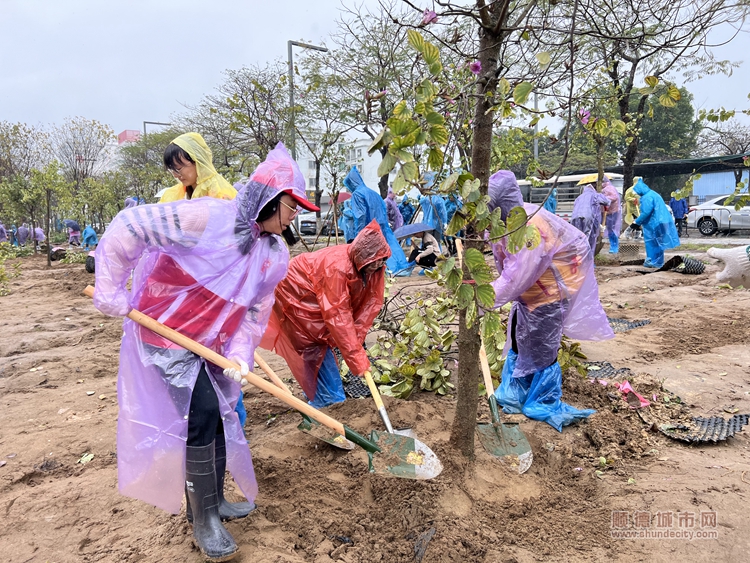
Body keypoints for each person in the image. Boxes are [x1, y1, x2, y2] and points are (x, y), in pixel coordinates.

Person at [92, 143, 317, 562]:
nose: (293, 217)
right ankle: (203, 518)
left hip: (208, 345)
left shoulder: (273, 253)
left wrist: (240, 353)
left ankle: (212, 503)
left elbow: (254, 311)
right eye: (290, 206)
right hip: (165, 335)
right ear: (268, 199)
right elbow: (130, 227)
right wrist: (109, 288)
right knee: (202, 414)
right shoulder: (205, 217)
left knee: (214, 415)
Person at [488, 170, 614, 431]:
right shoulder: (503, 226)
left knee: (542, 347)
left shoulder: (530, 229)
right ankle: (515, 392)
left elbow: (515, 277)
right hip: (531, 293)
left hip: (551, 292)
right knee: (521, 340)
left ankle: (544, 402)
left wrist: (482, 300)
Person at [260, 220, 390, 408]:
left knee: (324, 346)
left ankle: (318, 397)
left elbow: (368, 307)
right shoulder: (336, 268)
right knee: (314, 345)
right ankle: (325, 406)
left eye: (382, 260)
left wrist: (356, 347)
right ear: (361, 256)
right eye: (373, 260)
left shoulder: (374, 268)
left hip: (314, 296)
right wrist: (356, 357)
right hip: (295, 295)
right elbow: (338, 316)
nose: (378, 264)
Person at [344, 166, 408, 273]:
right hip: (382, 225)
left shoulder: (357, 194)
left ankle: (388, 269)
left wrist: (359, 235)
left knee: (376, 252)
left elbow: (360, 216)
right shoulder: (373, 193)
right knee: (389, 246)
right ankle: (401, 266)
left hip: (370, 228)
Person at [159, 132, 237, 203]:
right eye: (172, 170)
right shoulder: (173, 194)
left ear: (198, 162)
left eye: (178, 169)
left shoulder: (220, 194)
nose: (175, 175)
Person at [632, 178, 680, 268]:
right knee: (659, 242)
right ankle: (658, 262)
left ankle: (652, 261)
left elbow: (646, 212)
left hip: (654, 223)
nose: (637, 194)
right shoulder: (653, 194)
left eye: (637, 191)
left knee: (652, 242)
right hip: (661, 221)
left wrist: (636, 222)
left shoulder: (647, 197)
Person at [570, 183, 610, 254]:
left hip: (575, 218)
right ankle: (588, 259)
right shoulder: (595, 195)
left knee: (578, 238)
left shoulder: (579, 197)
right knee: (590, 239)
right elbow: (607, 202)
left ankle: (578, 257)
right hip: (589, 217)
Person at [601, 179, 622, 254]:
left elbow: (614, 197)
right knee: (608, 228)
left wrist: (604, 199)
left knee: (611, 229)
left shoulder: (609, 188)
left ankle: (614, 246)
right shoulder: (604, 189)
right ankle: (612, 245)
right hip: (607, 211)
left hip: (612, 211)